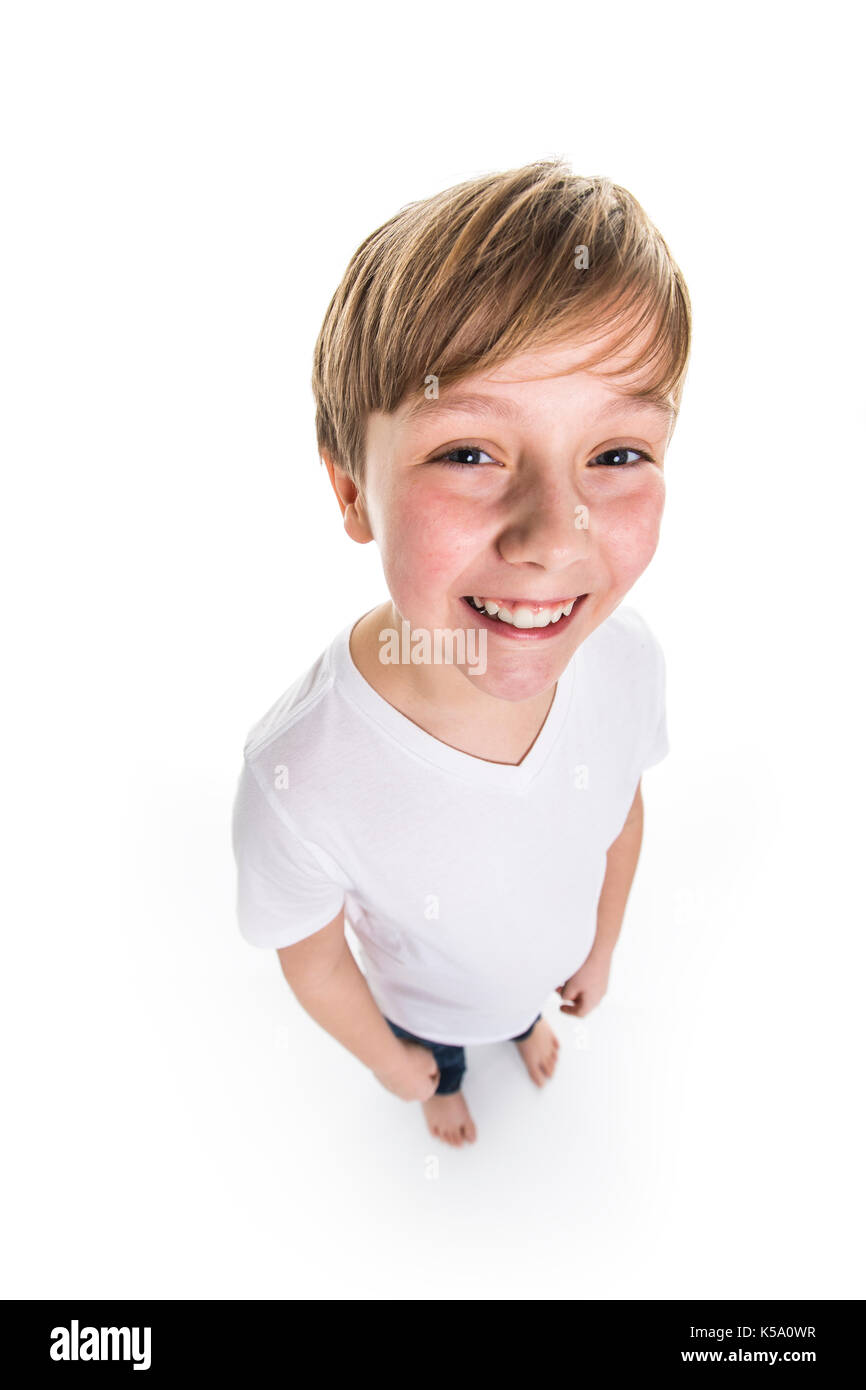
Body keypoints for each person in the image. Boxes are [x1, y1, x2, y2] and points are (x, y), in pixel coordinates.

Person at [232, 159, 691, 1148]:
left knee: (521, 1006)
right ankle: (446, 1081)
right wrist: (394, 1064)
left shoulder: (625, 658)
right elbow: (312, 958)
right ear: (352, 490)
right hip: (420, 1010)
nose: (553, 536)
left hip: (541, 973)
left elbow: (616, 811)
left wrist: (600, 946)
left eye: (615, 455)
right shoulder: (299, 772)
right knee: (438, 1057)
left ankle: (520, 1024)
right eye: (469, 451)